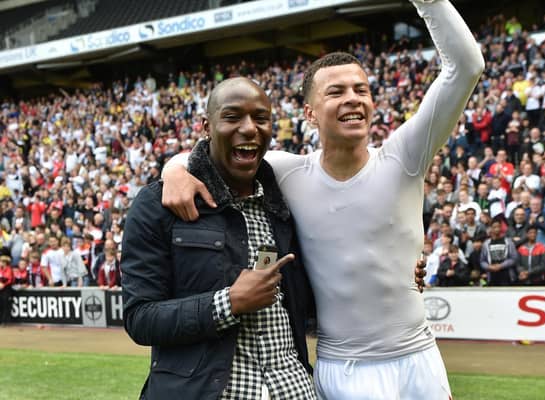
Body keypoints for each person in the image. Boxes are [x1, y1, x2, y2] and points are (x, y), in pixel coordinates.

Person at [162, 0, 483, 398]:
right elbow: (210, 153)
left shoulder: (405, 157)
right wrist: (174, 171)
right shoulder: (287, 172)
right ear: (310, 114)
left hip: (419, 357)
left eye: (361, 90)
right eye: (336, 91)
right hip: (346, 369)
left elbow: (466, 67)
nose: (353, 98)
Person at [121, 78, 317, 400]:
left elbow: (314, 297)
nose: (250, 128)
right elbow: (140, 317)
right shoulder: (159, 204)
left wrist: (392, 277)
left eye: (261, 118)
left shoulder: (287, 202)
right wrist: (227, 303)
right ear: (206, 127)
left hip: (293, 389)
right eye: (232, 117)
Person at [480, 220, 519, 286]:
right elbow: (482, 261)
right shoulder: (486, 243)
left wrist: (501, 266)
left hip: (506, 275)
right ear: (491, 229)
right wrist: (489, 266)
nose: (497, 229)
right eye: (494, 227)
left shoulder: (508, 242)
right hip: (492, 276)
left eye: (498, 227)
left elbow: (514, 258)